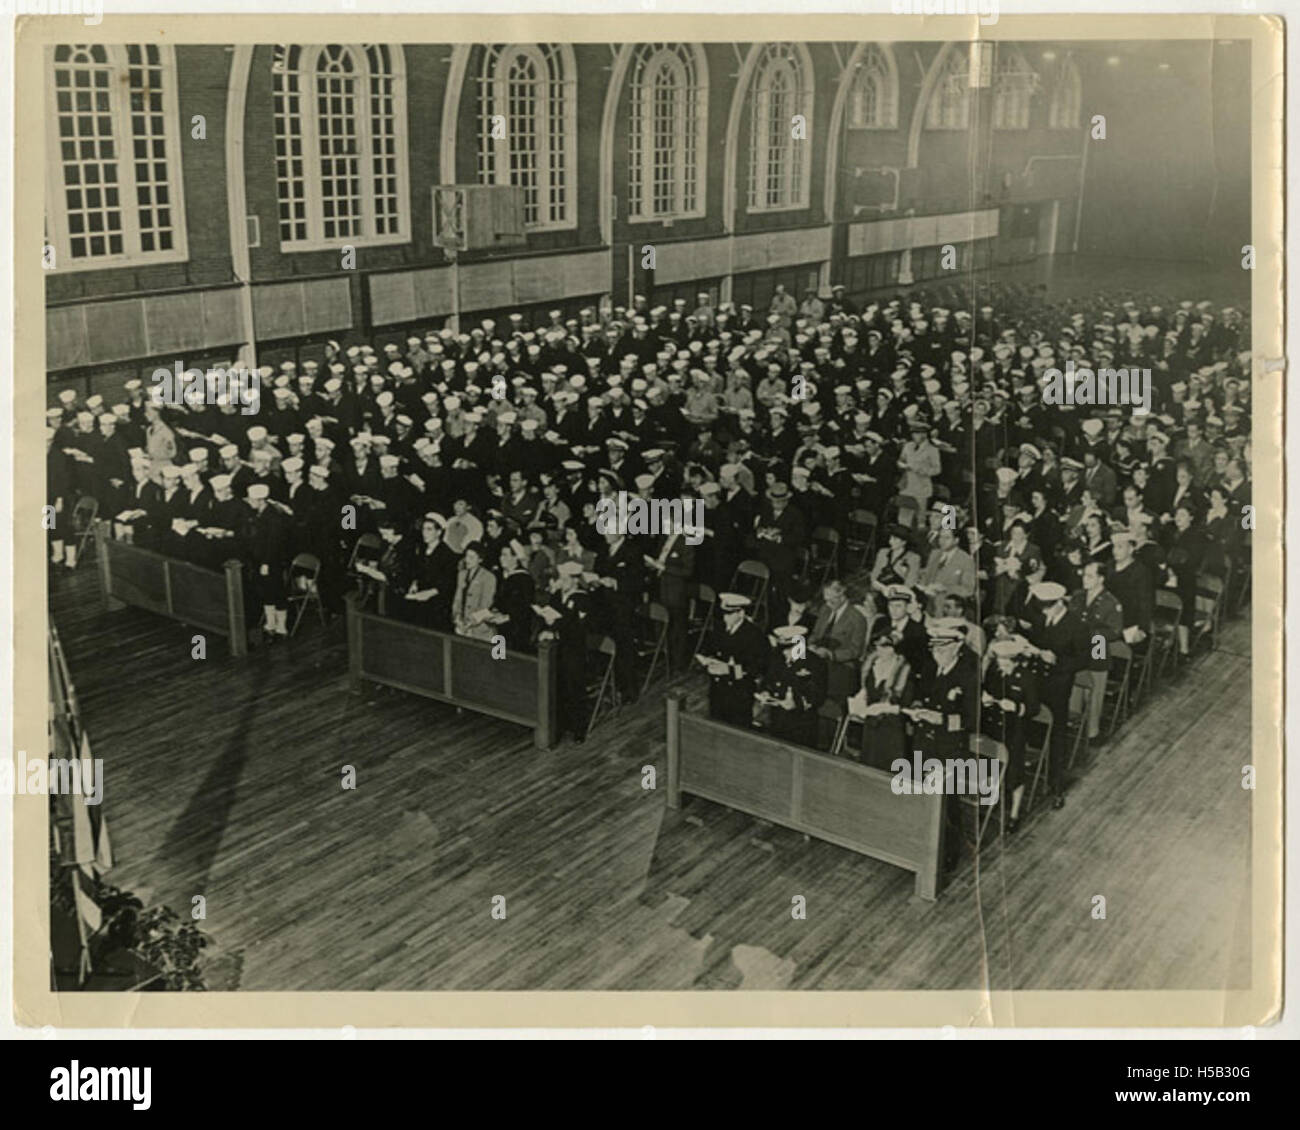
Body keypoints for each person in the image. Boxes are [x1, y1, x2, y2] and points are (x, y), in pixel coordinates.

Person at [1025, 581, 1090, 810]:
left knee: (1057, 734)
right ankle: (1034, 771)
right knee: (1033, 725)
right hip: (1035, 681)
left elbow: (1088, 657)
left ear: (1059, 603)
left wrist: (1058, 661)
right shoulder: (1042, 617)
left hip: (1058, 685)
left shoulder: (1077, 625)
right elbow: (1035, 639)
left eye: (1047, 607)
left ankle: (1057, 785)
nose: (1043, 612)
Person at [980, 637, 1039, 832]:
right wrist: (986, 700)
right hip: (993, 726)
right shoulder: (994, 672)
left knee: (1015, 772)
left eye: (1006, 664)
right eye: (999, 663)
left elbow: (1034, 708)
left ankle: (1014, 814)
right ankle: (991, 800)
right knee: (989, 766)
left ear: (1015, 661)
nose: (1002, 668)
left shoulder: (1027, 677)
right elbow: (987, 691)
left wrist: (1016, 706)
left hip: (1016, 730)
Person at [1067, 561, 1123, 744]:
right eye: (1084, 575)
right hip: (1076, 649)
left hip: (1098, 647)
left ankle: (1093, 732)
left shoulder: (1111, 602)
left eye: (1090, 576)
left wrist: (1090, 635)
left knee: (1095, 690)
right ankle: (1073, 724)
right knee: (1074, 688)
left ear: (1101, 579)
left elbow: (1114, 631)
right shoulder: (1077, 596)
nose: (1085, 579)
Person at [699, 592, 768, 728]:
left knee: (737, 728)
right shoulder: (720, 628)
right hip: (718, 688)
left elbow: (756, 669)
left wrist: (729, 670)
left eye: (729, 614)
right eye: (723, 614)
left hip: (739, 693)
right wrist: (709, 660)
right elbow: (711, 649)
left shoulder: (754, 636)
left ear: (741, 613)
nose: (725, 618)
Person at [845, 633, 914, 771]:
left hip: (891, 727)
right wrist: (859, 701)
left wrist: (883, 708)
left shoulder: (904, 670)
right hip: (870, 725)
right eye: (878, 646)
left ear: (895, 648)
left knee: (887, 768)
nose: (880, 650)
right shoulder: (871, 666)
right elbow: (866, 691)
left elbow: (904, 705)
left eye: (885, 647)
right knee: (868, 766)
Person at [757, 625, 826, 748]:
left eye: (789, 649)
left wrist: (796, 703)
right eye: (783, 649)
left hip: (801, 725)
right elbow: (768, 680)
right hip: (777, 719)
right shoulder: (777, 658)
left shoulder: (815, 663)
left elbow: (818, 697)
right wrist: (766, 692)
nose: (785, 653)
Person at [807, 579, 867, 703]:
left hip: (840, 664)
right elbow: (815, 634)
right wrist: (811, 645)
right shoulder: (825, 610)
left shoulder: (857, 618)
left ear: (843, 596)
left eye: (832, 600)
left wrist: (831, 654)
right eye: (826, 599)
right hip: (818, 657)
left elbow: (856, 651)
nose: (828, 603)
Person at [452, 541, 497, 639]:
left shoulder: (489, 577)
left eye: (472, 557)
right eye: (467, 556)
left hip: (480, 630)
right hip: (461, 628)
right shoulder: (461, 574)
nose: (467, 560)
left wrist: (469, 622)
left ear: (480, 559)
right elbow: (457, 600)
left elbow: (486, 605)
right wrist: (457, 619)